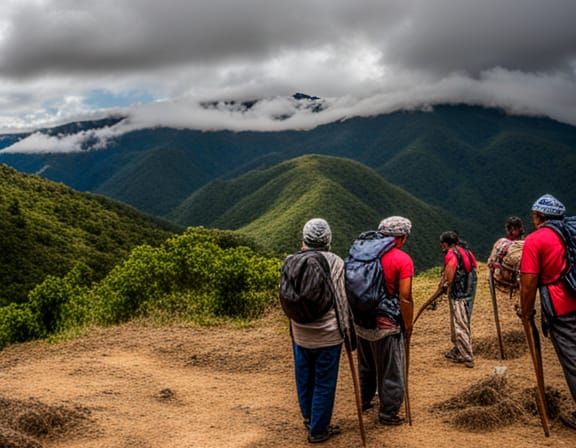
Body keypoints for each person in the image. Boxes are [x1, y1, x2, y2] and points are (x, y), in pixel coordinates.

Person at [283, 218, 356, 443]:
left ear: (304, 239)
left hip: (300, 333)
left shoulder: (291, 261)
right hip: (328, 334)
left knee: (304, 377)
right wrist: (349, 333)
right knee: (324, 381)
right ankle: (318, 430)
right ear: (328, 240)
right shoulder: (335, 262)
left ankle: (309, 418)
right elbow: (343, 300)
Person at [519, 194, 576, 431]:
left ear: (539, 216)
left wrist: (526, 311)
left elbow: (529, 281)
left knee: (572, 358)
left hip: (562, 305)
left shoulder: (536, 240)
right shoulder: (570, 232)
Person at [354, 216, 414, 426]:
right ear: (402, 237)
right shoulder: (402, 259)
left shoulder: (362, 254)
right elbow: (405, 297)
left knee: (366, 366)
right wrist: (408, 324)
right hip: (386, 325)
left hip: (361, 321)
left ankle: (365, 401)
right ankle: (388, 413)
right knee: (391, 370)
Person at [440, 231, 478, 368]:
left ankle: (467, 356)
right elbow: (474, 268)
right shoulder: (464, 251)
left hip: (459, 294)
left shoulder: (451, 254)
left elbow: (450, 274)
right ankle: (458, 350)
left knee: (459, 324)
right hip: (469, 291)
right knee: (462, 321)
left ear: (445, 244)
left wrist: (444, 285)